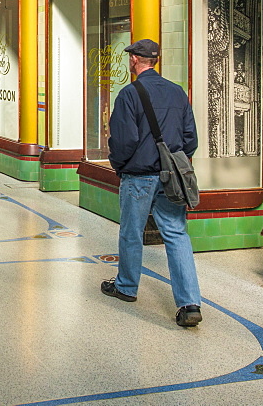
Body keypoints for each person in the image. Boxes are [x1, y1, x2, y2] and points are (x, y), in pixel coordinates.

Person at [99, 38, 202, 328]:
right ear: (154, 61)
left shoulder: (129, 94)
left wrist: (120, 166)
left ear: (134, 60)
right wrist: (173, 163)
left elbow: (124, 140)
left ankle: (127, 287)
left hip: (139, 176)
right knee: (176, 234)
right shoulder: (177, 92)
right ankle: (189, 303)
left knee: (132, 232)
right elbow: (190, 138)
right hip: (171, 178)